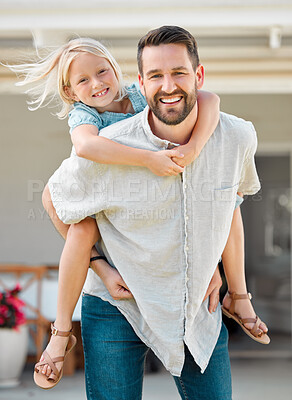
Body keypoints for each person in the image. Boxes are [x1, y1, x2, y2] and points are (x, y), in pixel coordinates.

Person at [10, 27, 269, 396]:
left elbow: (210, 105)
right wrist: (149, 161)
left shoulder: (228, 135)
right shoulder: (98, 136)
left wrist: (210, 267)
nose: (167, 86)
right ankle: (61, 334)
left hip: (193, 300)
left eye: (178, 72)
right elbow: (56, 195)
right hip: (118, 297)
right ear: (142, 82)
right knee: (82, 232)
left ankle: (238, 299)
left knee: (227, 201)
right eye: (156, 76)